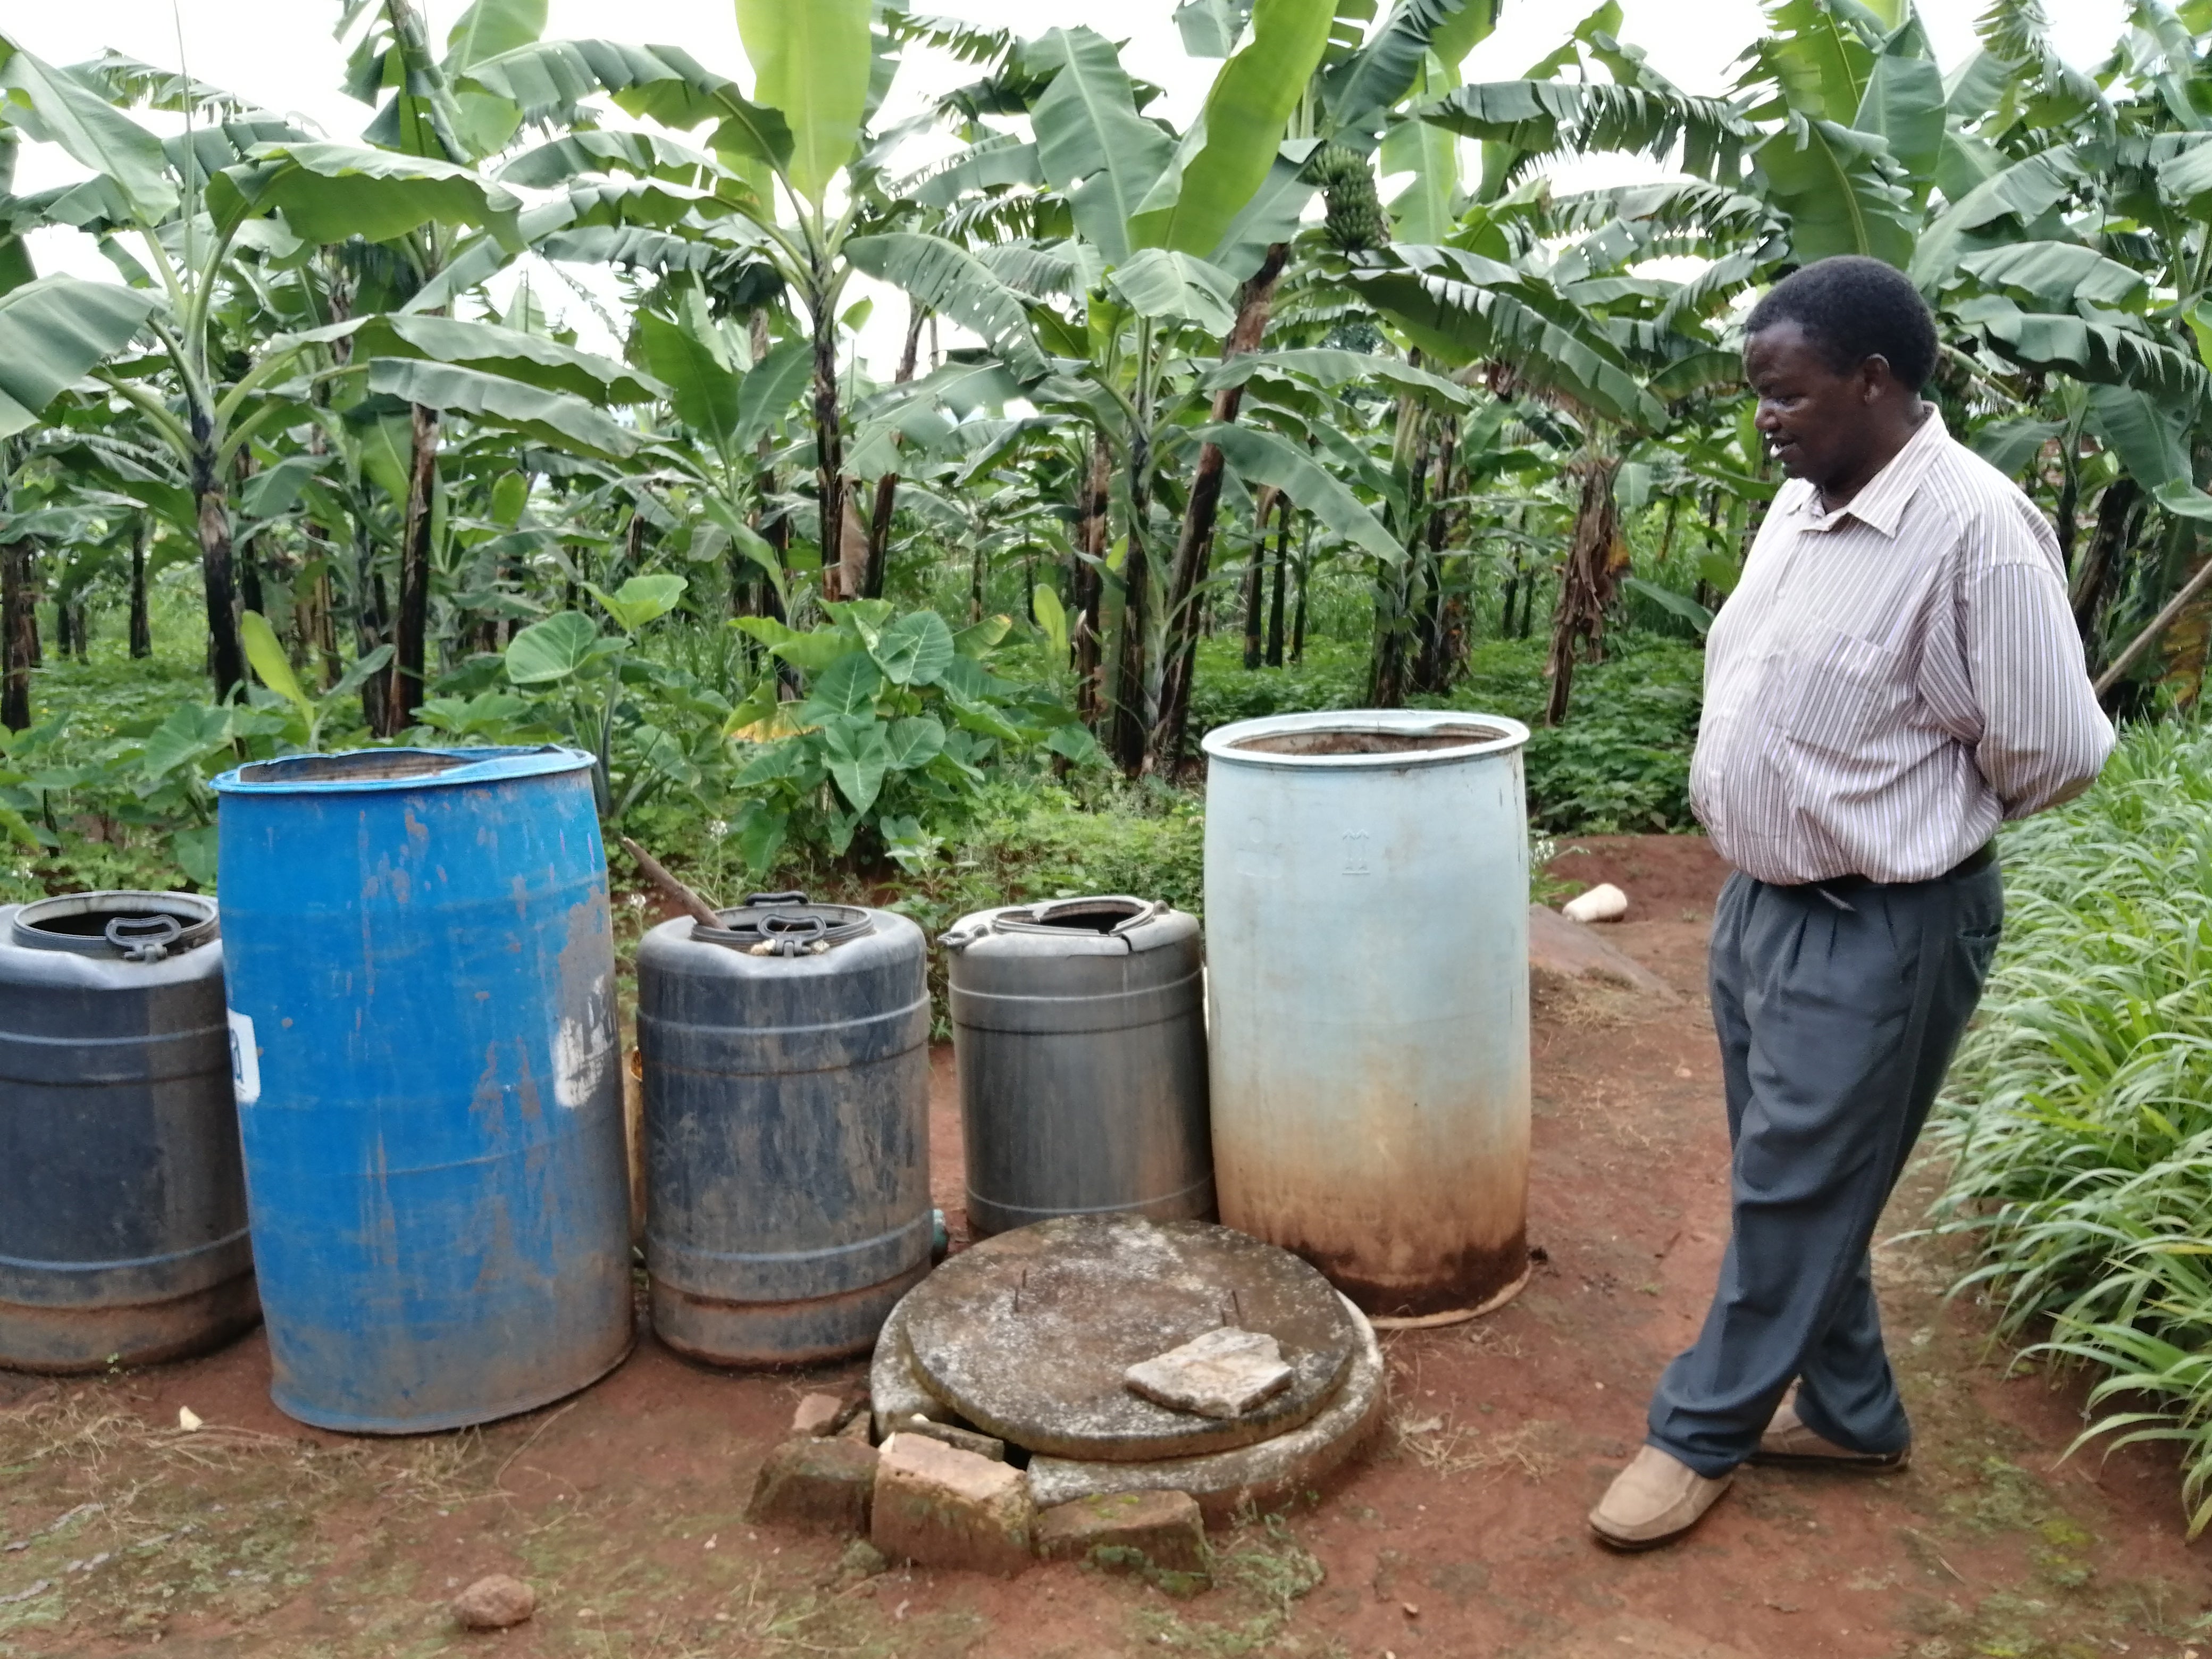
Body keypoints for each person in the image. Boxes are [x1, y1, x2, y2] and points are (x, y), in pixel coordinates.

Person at [1587, 255, 2115, 1551]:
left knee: (1794, 1191)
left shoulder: (1977, 532)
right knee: (1798, 1179)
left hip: (1881, 920)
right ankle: (1853, 1413)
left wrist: (1911, 819)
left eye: (1787, 394)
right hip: (1761, 906)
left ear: (1874, 380)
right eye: (1757, 395)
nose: (1764, 418)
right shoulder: (1801, 501)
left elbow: (2055, 749)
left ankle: (1699, 1430)